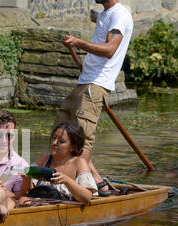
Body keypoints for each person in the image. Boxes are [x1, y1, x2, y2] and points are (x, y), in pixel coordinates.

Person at [53, 0, 133, 195]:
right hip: (85, 81)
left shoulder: (119, 15)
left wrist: (79, 43)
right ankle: (98, 181)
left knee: (82, 139)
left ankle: (86, 187)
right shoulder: (105, 14)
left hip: (96, 86)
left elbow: (110, 50)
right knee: (61, 134)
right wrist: (77, 53)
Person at [20, 121, 97, 204]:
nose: (54, 143)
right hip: (39, 205)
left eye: (61, 141)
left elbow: (87, 197)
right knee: (22, 200)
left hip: (64, 210)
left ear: (73, 147)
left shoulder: (79, 163)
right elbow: (26, 192)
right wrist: (26, 180)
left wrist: (67, 180)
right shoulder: (44, 159)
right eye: (54, 138)